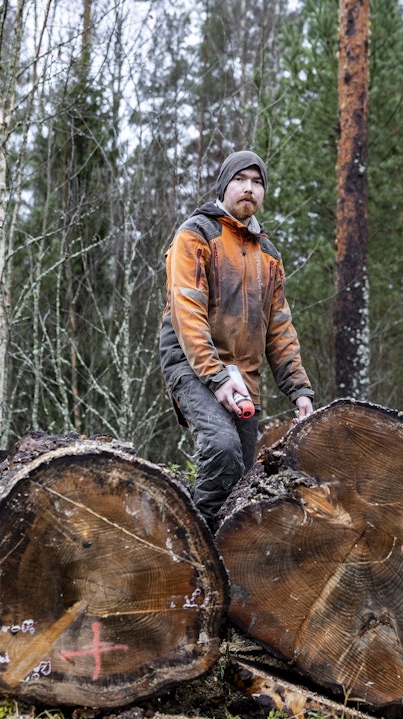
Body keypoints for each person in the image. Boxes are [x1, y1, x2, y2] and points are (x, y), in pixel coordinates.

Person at [159, 150, 315, 528]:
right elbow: (188, 311)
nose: (249, 188)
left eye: (257, 181)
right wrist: (215, 376)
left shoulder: (269, 255)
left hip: (244, 377)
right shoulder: (196, 235)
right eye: (240, 180)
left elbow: (279, 327)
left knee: (244, 477)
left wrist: (300, 391)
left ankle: (228, 562)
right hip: (193, 365)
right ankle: (200, 547)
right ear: (224, 186)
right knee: (220, 446)